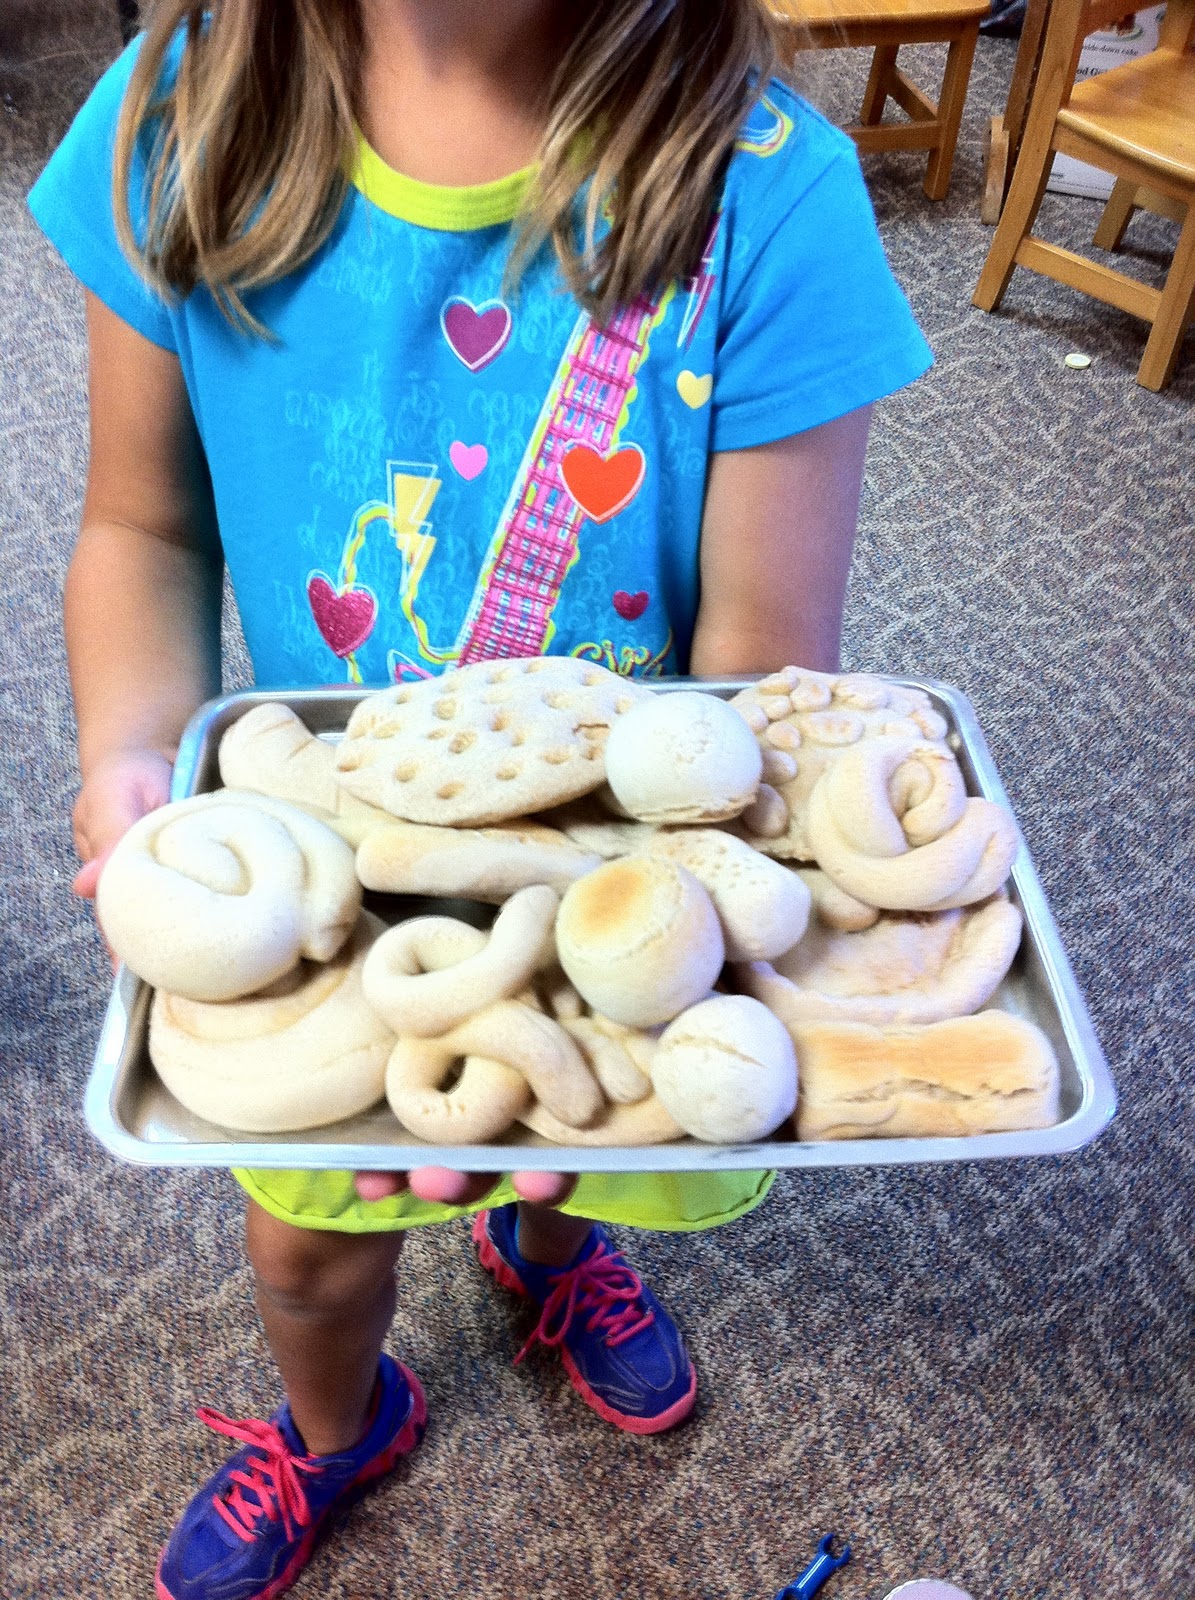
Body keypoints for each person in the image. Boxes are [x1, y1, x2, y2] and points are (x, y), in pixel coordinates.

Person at [28, 2, 932, 1596]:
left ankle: (552, 1255)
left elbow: (746, 706)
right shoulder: (185, 109)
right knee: (309, 1246)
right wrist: (133, 756)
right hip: (315, 898)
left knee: (572, 1151)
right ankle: (334, 1429)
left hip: (609, 901)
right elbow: (144, 531)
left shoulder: (771, 196)